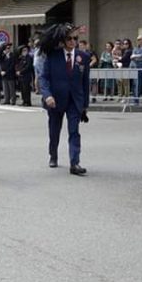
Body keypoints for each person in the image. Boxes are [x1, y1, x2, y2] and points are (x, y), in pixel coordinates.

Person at [38, 24, 90, 176]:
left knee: (74, 131)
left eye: (75, 38)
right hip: (55, 100)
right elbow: (43, 78)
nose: (73, 41)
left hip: (75, 101)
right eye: (69, 38)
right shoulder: (52, 55)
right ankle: (53, 155)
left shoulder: (83, 57)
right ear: (63, 40)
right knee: (54, 130)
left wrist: (85, 105)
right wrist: (47, 95)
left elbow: (85, 82)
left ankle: (75, 163)